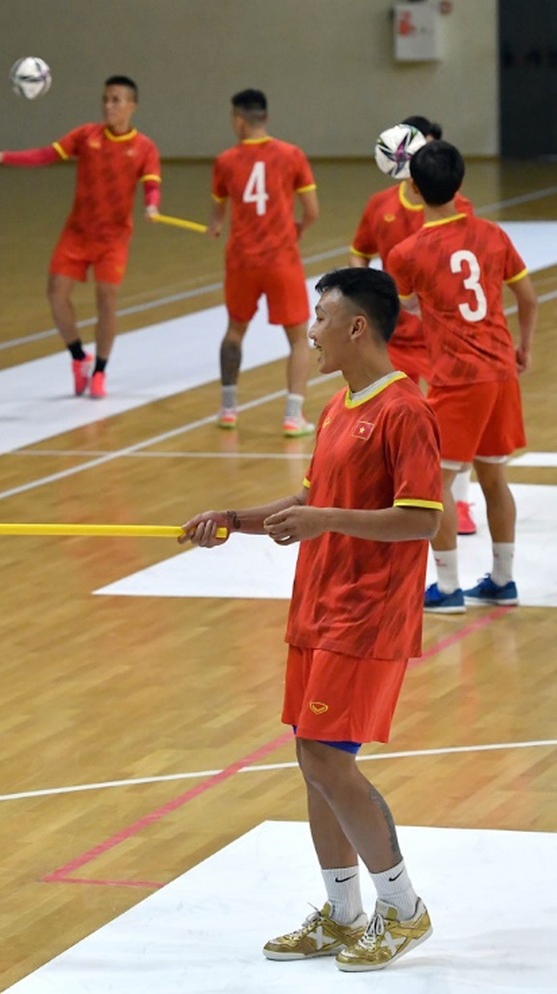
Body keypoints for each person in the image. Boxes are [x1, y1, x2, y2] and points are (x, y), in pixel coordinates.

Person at [181, 267, 440, 972]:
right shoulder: (336, 409)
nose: (310, 331)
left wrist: (324, 520)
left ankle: (404, 909)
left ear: (357, 326)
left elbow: (421, 520)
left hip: (367, 615)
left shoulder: (404, 411)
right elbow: (307, 501)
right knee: (314, 763)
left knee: (327, 758)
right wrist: (232, 519)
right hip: (318, 609)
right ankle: (343, 912)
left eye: (320, 318)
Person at [385, 141, 537, 614]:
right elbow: (528, 297)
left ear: (413, 188)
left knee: (436, 483)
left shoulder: (407, 253)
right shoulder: (491, 233)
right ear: (461, 183)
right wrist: (524, 347)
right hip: (501, 372)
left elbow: (408, 304)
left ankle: (448, 588)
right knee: (494, 477)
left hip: (457, 379)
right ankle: (503, 581)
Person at [0, 75, 161, 400]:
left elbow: (151, 184)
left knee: (107, 299)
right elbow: (45, 155)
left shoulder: (144, 147)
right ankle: (79, 358)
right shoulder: (86, 135)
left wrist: (152, 205)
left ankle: (100, 371)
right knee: (56, 294)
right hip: (77, 233)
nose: (108, 106)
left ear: (132, 106)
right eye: (105, 99)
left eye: (116, 100)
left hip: (112, 238)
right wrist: (2, 157)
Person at [350, 116, 479, 536]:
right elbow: (359, 251)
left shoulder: (455, 207)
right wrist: (365, 291)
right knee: (394, 419)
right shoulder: (379, 206)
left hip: (443, 339)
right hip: (394, 338)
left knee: (450, 427)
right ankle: (393, 494)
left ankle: (460, 500)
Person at [207, 89, 319, 436]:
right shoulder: (292, 155)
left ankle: (228, 409)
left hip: (241, 260)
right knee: (298, 338)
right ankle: (292, 416)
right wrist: (298, 229)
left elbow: (217, 215)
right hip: (281, 258)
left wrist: (216, 226)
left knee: (234, 330)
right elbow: (312, 211)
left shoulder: (225, 161)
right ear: (265, 118)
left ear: (238, 119)